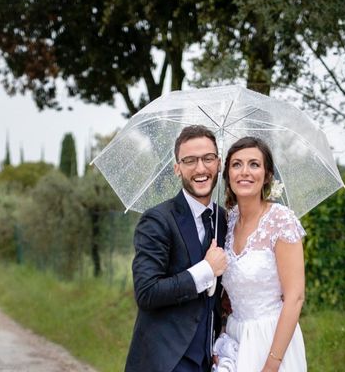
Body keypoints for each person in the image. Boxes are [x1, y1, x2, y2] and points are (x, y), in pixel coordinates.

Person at [125, 125, 228, 372]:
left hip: (209, 360)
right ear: (177, 168)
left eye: (208, 158)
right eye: (190, 160)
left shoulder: (225, 220)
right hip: (166, 362)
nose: (200, 168)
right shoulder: (158, 220)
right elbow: (147, 292)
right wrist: (206, 270)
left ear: (219, 164)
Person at [218, 136, 307, 371]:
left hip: (272, 338)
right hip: (236, 338)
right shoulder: (227, 220)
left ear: (267, 175)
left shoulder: (280, 220)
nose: (244, 171)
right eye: (236, 164)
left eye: (254, 164)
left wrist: (272, 363)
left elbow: (295, 298)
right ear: (228, 175)